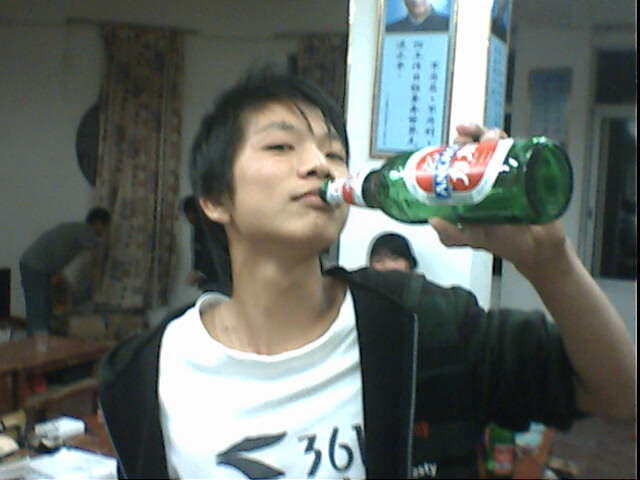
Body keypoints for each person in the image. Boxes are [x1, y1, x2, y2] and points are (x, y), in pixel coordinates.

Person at [98, 70, 635, 479]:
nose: (320, 165)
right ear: (216, 199)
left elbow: (619, 397)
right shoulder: (145, 372)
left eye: (334, 153)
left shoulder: (420, 321)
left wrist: (548, 259)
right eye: (282, 146)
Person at [20, 207, 111, 335]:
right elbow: (94, 260)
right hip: (36, 266)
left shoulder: (75, 228)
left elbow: (62, 253)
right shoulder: (87, 232)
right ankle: (38, 342)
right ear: (98, 223)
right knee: (39, 308)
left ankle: (42, 339)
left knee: (44, 307)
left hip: (37, 265)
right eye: (105, 226)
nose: (105, 231)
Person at [181, 195, 221, 290]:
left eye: (188, 214)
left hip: (218, 278)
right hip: (208, 280)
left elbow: (211, 252)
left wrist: (201, 272)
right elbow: (198, 252)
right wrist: (196, 270)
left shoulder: (211, 228)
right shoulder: (197, 228)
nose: (187, 218)